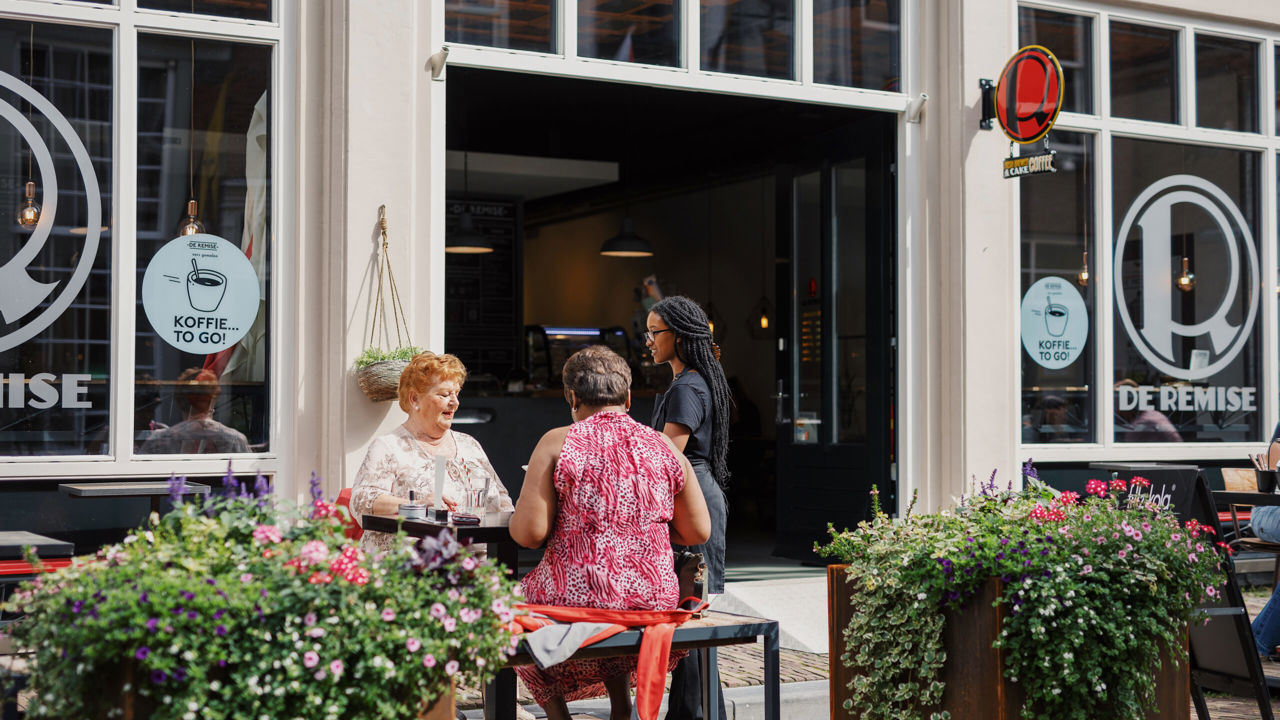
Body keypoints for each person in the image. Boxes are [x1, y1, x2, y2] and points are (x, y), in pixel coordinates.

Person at [511, 346, 710, 720]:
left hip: (578, 597)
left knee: (503, 609)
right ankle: (621, 705)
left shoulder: (557, 441)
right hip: (654, 600)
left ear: (572, 397)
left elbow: (529, 534)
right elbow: (697, 529)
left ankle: (558, 716)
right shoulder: (663, 445)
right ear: (628, 397)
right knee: (613, 598)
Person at [644, 295, 732, 720]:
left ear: (678, 336)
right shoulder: (691, 383)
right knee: (689, 619)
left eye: (654, 332)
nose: (648, 341)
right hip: (695, 496)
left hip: (691, 501)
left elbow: (667, 454)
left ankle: (697, 715)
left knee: (692, 615)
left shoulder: (688, 387)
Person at [349, 351, 514, 555]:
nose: (455, 402)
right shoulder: (389, 447)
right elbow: (361, 502)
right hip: (411, 568)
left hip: (477, 564)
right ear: (415, 399)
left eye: (457, 393)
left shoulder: (469, 444)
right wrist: (416, 504)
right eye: (444, 395)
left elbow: (503, 501)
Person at [139, 368, 249, 454]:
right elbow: (250, 480)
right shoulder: (235, 439)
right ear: (213, 400)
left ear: (178, 402)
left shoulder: (158, 441)